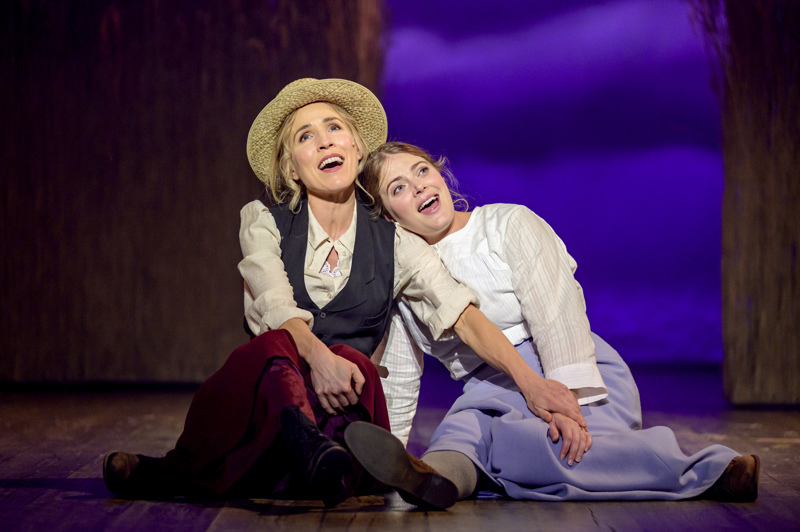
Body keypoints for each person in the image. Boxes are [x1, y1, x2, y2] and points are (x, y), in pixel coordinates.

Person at [102, 79, 585, 507]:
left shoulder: (396, 242)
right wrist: (319, 359)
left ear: (356, 148)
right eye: (305, 137)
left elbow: (460, 314)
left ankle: (312, 462)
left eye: (334, 127)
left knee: (355, 364)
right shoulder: (263, 222)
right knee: (274, 347)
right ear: (293, 169)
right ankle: (253, 456)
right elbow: (273, 306)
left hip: (342, 406)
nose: (324, 140)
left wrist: (532, 383)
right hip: (263, 401)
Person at [344, 141, 760, 507]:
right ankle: (429, 480)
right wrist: (391, 446)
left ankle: (711, 470)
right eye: (398, 188)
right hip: (487, 389)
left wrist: (564, 401)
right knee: (459, 435)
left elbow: (556, 313)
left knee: (543, 448)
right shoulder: (404, 275)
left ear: (440, 174)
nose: (418, 186)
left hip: (561, 368)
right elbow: (400, 372)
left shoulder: (507, 224)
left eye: (421, 171)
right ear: (388, 217)